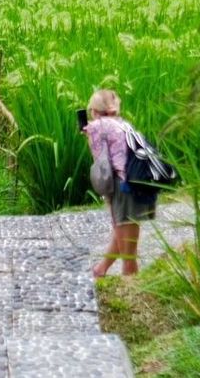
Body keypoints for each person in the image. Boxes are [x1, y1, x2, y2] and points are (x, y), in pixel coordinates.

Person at [83, 89, 157, 277]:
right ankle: (102, 269)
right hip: (142, 182)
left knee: (128, 253)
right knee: (122, 230)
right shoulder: (124, 125)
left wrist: (90, 135)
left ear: (94, 110)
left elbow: (102, 167)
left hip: (124, 186)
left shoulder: (97, 126)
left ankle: (130, 287)